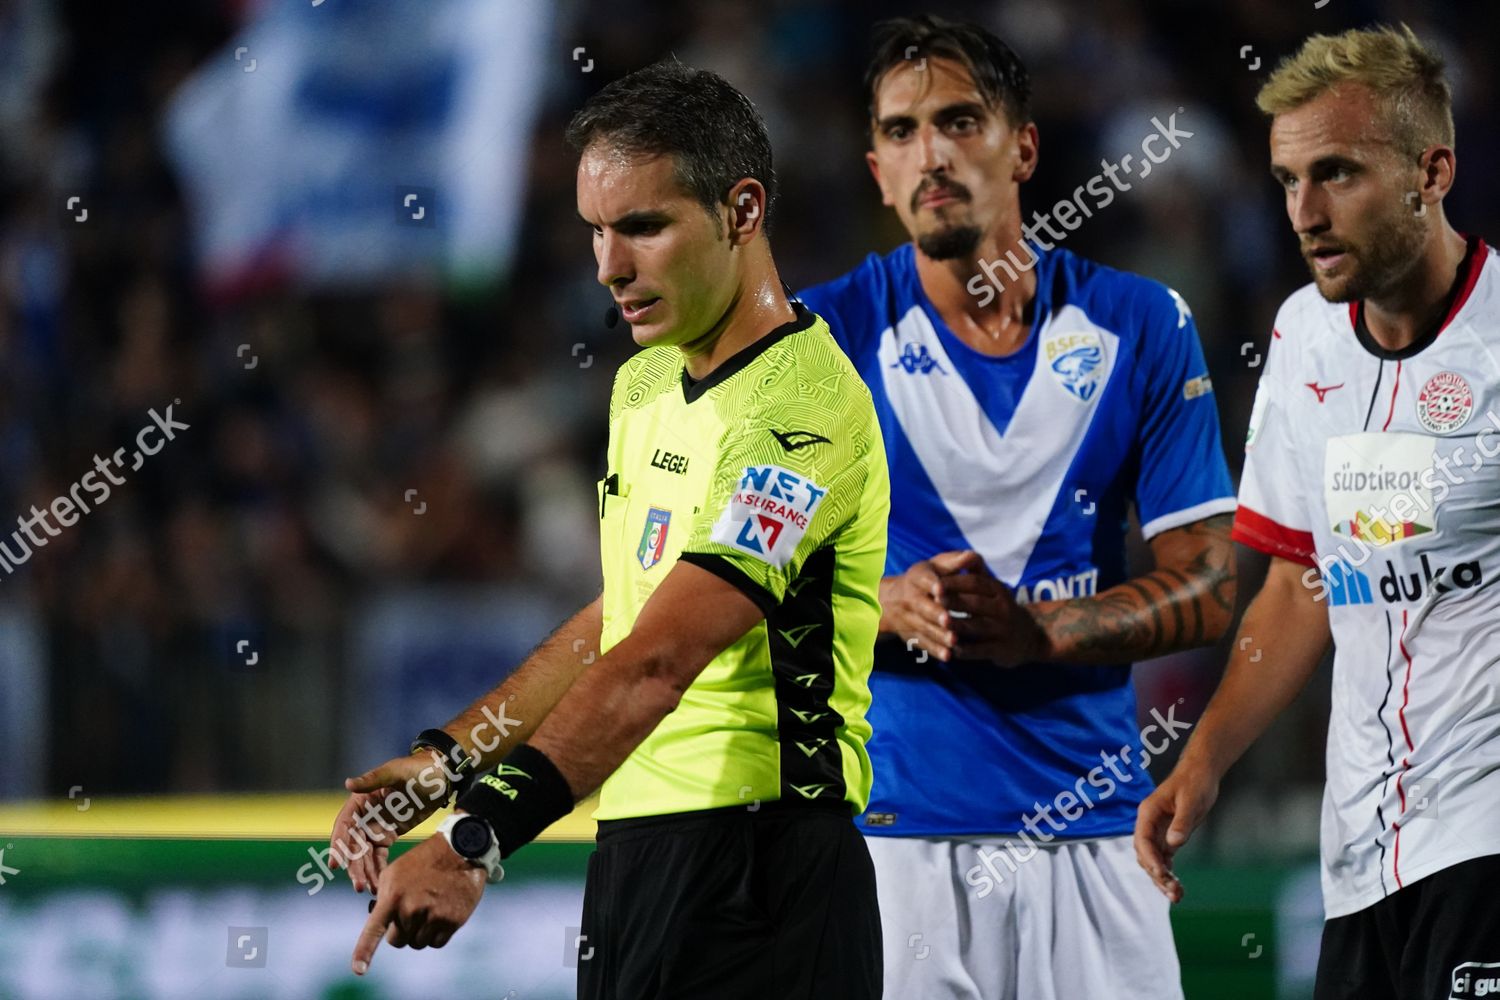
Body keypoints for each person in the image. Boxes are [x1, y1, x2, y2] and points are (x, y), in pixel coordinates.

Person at [328, 60, 890, 999]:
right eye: (596, 230)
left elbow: (658, 662)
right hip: (633, 858)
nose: (609, 267)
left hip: (768, 871)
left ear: (741, 211)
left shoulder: (807, 410)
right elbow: (623, 616)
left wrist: (475, 839)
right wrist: (451, 760)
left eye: (643, 226)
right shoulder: (643, 382)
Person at [794, 15, 1236, 1000]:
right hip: (890, 847)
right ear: (875, 168)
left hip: (1096, 836)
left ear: (1024, 146)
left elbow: (1210, 587)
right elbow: (728, 588)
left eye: (959, 121)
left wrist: (1034, 630)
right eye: (902, 132)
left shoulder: (1140, 325)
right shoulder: (818, 339)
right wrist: (873, 600)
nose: (933, 154)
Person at [1135, 23, 1500, 999]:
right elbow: (1301, 585)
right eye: (1290, 181)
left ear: (1433, 169)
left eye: (1336, 173)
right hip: (1360, 864)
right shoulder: (1302, 337)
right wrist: (1203, 760)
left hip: (1486, 846)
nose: (1306, 211)